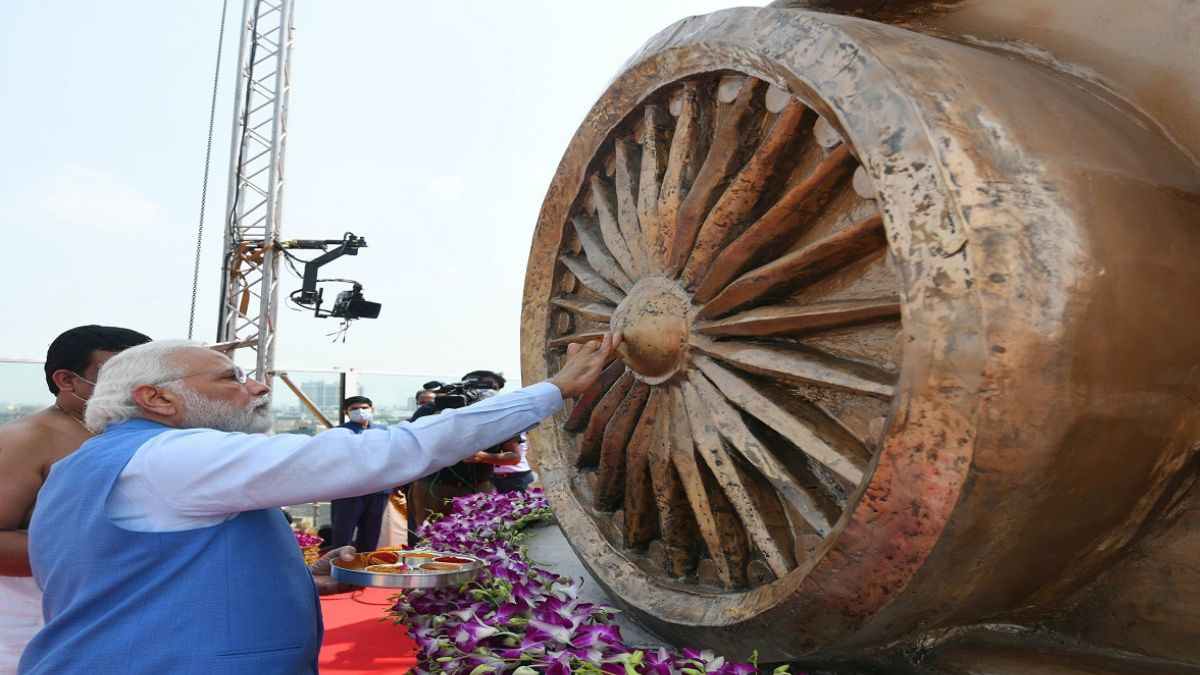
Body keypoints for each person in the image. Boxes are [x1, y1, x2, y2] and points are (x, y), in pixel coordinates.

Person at [20, 334, 617, 673]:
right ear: (156, 399)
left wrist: (300, 580)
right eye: (230, 377)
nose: (256, 387)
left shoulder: (86, 466)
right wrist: (552, 391)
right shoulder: (172, 458)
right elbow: (382, 454)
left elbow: (135, 577)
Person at [0, 325, 150, 672]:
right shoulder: (24, 440)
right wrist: (119, 551)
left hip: (119, 619)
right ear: (67, 381)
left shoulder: (135, 432)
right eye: (120, 376)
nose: (140, 388)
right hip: (33, 627)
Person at [406, 370, 510, 537]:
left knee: (477, 539)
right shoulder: (432, 409)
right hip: (433, 488)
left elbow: (514, 456)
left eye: (489, 387)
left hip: (478, 488)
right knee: (431, 540)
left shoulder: (500, 413)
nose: (481, 391)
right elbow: (411, 446)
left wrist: (484, 457)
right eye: (477, 385)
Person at [328, 396, 389, 552]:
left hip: (377, 490)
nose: (360, 412)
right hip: (348, 491)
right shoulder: (338, 433)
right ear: (346, 412)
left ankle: (363, 569)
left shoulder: (384, 431)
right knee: (343, 535)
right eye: (354, 409)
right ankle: (339, 570)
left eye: (364, 407)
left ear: (372, 409)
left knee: (370, 535)